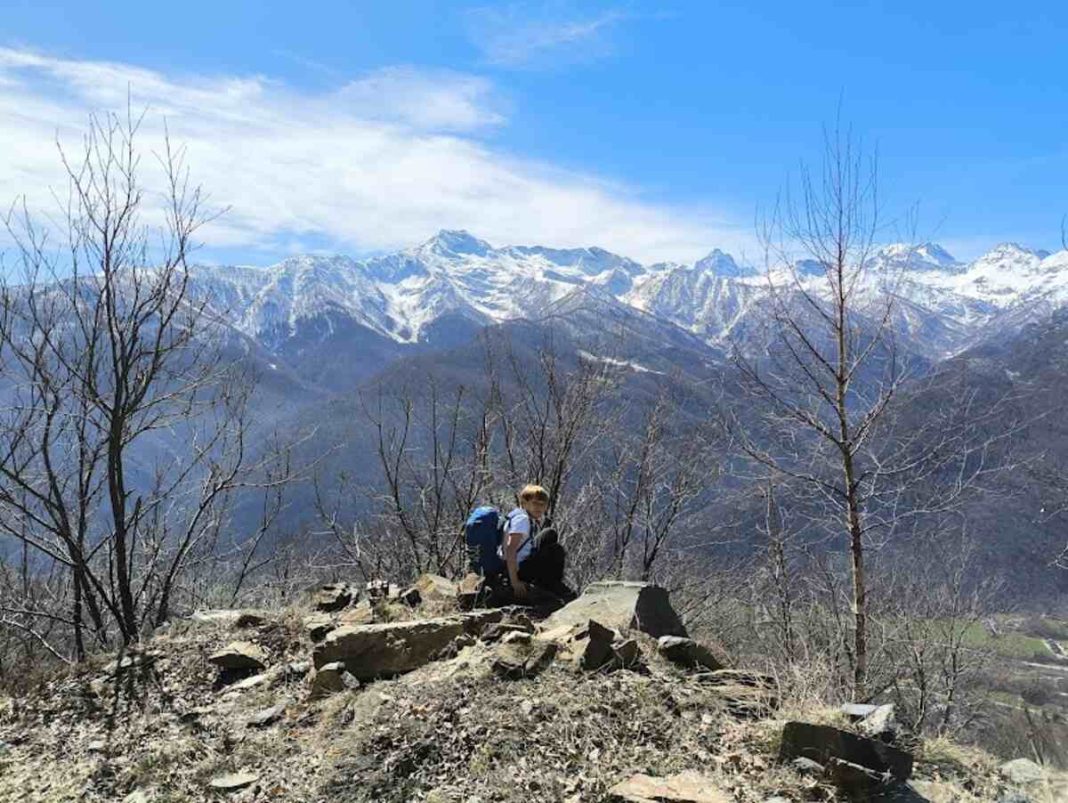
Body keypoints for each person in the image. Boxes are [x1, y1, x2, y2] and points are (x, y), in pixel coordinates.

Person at [500, 484, 576, 607]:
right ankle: (552, 584)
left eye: (542, 504)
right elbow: (511, 549)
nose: (539, 508)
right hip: (519, 570)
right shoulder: (522, 520)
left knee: (550, 533)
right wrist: (515, 582)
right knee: (556, 550)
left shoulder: (517, 515)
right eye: (535, 503)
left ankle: (551, 582)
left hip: (520, 562)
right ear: (524, 503)